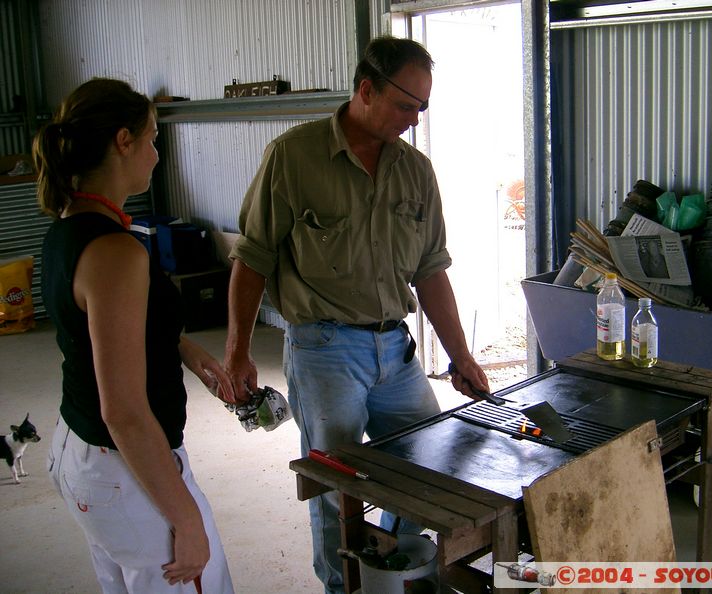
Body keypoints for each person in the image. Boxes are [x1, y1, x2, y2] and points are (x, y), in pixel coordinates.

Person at [224, 36, 490, 593]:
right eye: (405, 105)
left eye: (423, 107)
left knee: (428, 465)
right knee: (336, 485)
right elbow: (252, 259)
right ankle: (342, 585)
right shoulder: (293, 158)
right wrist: (237, 352)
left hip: (396, 349)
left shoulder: (416, 172)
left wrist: (461, 355)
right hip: (323, 349)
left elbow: (431, 271)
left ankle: (391, 569)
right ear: (366, 89)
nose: (414, 120)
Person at [35, 78, 236, 594]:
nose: (156, 154)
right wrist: (186, 519)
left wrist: (180, 345)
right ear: (123, 141)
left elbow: (101, 329)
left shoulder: (68, 228)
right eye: (152, 138)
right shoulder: (115, 252)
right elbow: (123, 411)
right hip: (127, 470)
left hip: (82, 451)